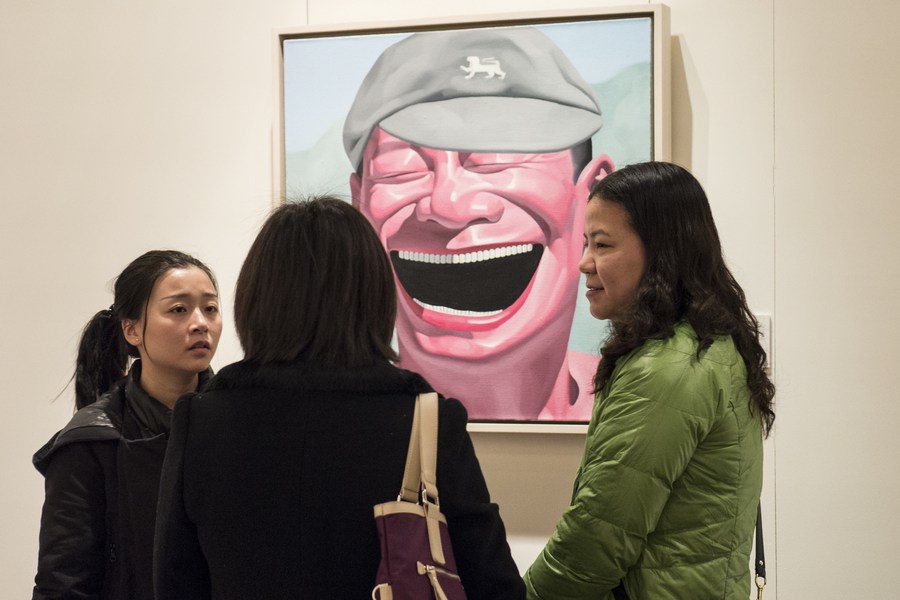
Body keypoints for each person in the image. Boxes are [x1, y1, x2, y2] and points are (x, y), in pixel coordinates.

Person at [154, 197, 525, 599]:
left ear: (257, 298)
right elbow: (496, 587)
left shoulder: (201, 422)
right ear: (374, 296)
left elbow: (176, 582)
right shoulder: (428, 422)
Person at [524, 162, 776, 599]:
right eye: (585, 243)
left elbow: (596, 541)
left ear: (662, 252)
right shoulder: (705, 345)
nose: (584, 263)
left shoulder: (667, 369)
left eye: (602, 244)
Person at [344, 27, 615, 421]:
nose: (448, 204)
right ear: (361, 205)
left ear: (591, 197)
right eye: (401, 169)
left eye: (497, 159)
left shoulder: (641, 404)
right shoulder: (342, 428)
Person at [32, 250, 222, 600]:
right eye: (178, 310)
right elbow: (63, 583)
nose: (201, 323)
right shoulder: (92, 442)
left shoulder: (237, 426)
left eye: (210, 308)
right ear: (132, 329)